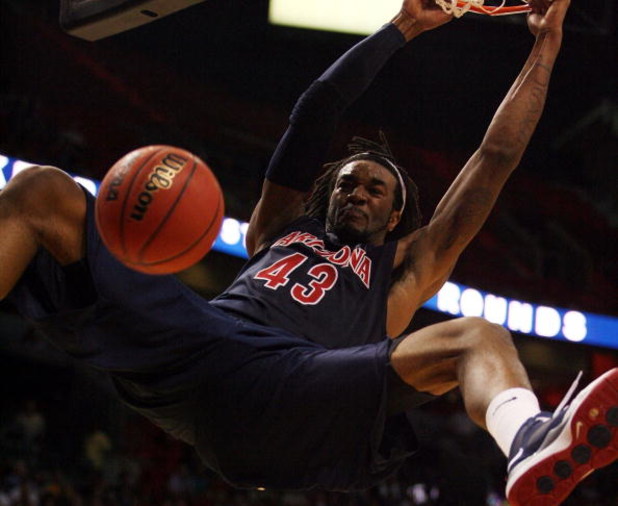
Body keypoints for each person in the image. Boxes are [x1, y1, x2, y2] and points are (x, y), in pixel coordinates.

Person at [0, 0, 616, 504]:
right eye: (347, 180)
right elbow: (317, 109)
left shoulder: (404, 273)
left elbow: (495, 159)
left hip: (298, 388)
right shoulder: (275, 229)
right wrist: (401, 27)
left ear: (396, 214)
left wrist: (545, 45)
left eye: (377, 187)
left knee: (479, 335)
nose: (358, 190)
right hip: (200, 343)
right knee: (41, 190)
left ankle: (529, 439)